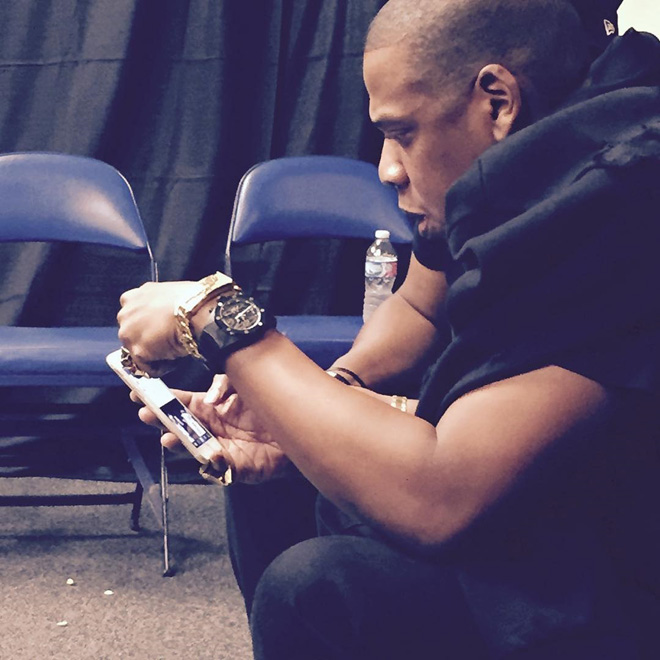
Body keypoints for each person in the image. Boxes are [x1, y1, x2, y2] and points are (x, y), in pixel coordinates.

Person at [117, 0, 660, 657]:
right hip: (544, 498)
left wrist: (218, 319)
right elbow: (421, 306)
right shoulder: (517, 154)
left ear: (497, 101)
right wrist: (332, 396)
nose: (387, 169)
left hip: (616, 572)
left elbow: (442, 497)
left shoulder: (623, 194)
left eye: (402, 133)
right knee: (289, 470)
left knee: (319, 587)